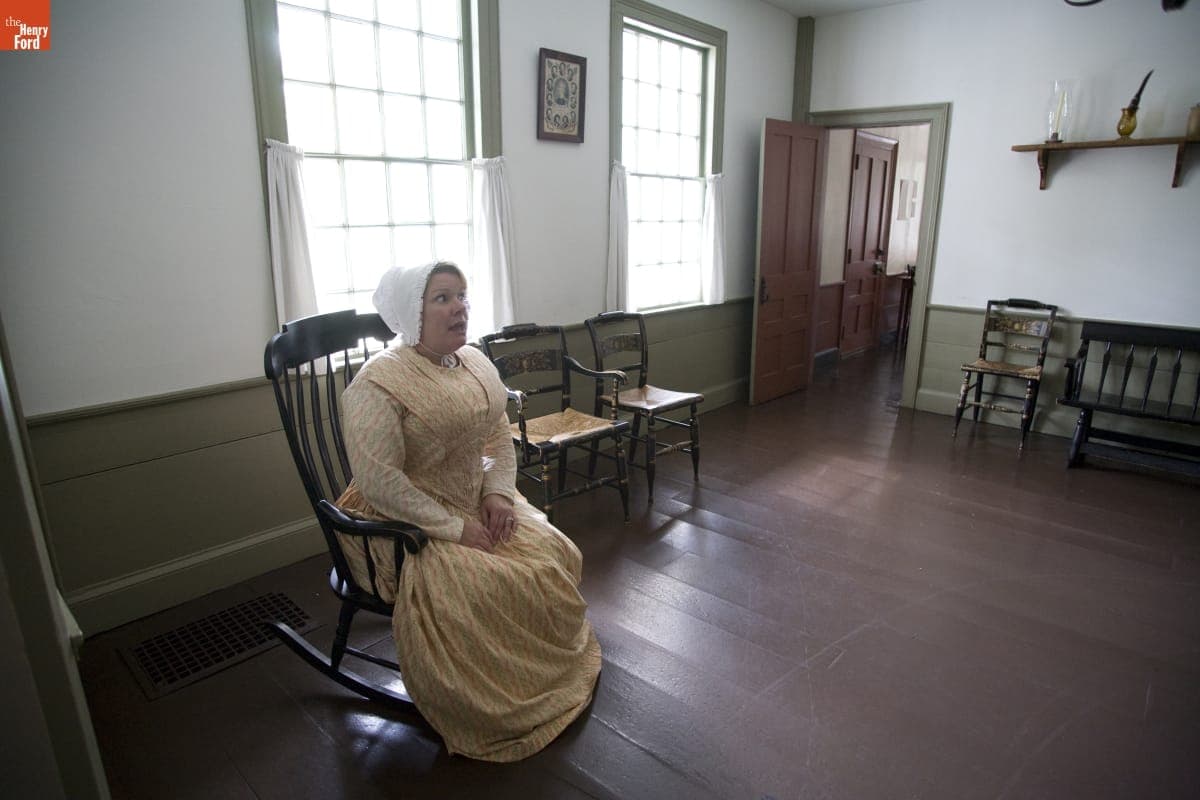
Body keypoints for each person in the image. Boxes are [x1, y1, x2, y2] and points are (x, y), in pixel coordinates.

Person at [334, 260, 601, 762]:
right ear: (411, 312)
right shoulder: (378, 384)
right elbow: (381, 483)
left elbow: (496, 431)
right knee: (490, 583)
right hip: (402, 525)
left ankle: (536, 665)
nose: (460, 306)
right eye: (442, 298)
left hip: (472, 497)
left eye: (462, 295)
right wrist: (454, 529)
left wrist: (497, 493)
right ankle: (500, 698)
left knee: (553, 553)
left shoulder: (474, 361)